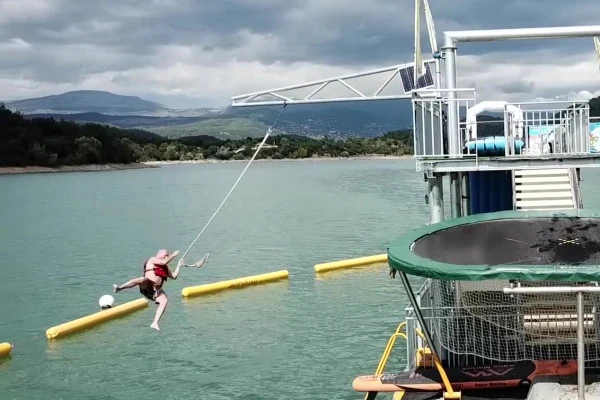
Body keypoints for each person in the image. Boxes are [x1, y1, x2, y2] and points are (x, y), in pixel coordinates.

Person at [112, 249, 208, 330]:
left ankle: (155, 322)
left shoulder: (165, 268)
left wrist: (178, 267)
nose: (167, 255)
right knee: (141, 279)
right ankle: (120, 288)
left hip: (155, 292)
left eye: (168, 254)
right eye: (165, 254)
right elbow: (164, 262)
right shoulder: (153, 259)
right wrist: (174, 255)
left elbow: (174, 276)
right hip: (147, 285)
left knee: (164, 300)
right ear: (158, 254)